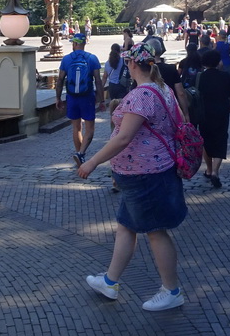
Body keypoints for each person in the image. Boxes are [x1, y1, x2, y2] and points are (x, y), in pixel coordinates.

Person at [78, 43, 187, 311]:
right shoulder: (163, 89)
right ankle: (110, 281)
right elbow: (181, 121)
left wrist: (92, 161)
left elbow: (124, 137)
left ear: (133, 65)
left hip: (146, 174)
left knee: (155, 231)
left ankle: (172, 291)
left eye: (128, 62)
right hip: (148, 172)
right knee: (127, 225)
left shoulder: (141, 95)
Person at [56, 33, 104, 166]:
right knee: (90, 129)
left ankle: (79, 155)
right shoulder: (92, 58)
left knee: (76, 128)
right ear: (83, 44)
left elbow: (60, 80)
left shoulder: (66, 59)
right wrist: (101, 100)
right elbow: (98, 81)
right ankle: (81, 154)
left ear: (75, 44)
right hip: (87, 97)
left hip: (72, 97)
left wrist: (58, 98)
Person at [196, 49, 230, 189]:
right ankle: (215, 171)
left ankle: (208, 168)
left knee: (206, 140)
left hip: (204, 113)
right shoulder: (225, 76)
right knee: (220, 139)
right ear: (218, 62)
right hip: (221, 112)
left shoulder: (200, 77)